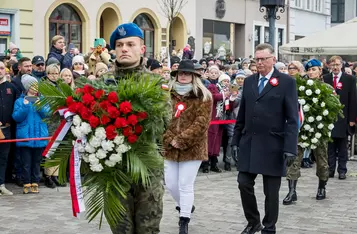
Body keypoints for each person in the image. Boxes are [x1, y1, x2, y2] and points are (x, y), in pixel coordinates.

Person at [102, 22, 164, 234]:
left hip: (146, 168)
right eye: (119, 45)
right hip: (113, 168)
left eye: (130, 44)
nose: (124, 49)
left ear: (142, 48)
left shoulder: (155, 82)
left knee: (148, 228)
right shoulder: (103, 83)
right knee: (120, 229)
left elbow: (165, 122)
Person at [232, 43, 299, 234]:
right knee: (243, 183)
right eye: (257, 59)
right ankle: (253, 221)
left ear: (273, 60)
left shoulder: (286, 82)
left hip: (273, 145)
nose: (259, 63)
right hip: (250, 143)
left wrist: (290, 147)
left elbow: (292, 118)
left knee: (271, 192)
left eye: (263, 59)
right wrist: (235, 140)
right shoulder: (250, 81)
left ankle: (269, 227)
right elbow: (242, 114)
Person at [163, 59, 212, 234]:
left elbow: (201, 123)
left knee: (185, 184)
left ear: (193, 76)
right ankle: (185, 206)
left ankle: (183, 220)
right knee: (170, 183)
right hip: (169, 146)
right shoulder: (166, 94)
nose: (183, 76)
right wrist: (170, 139)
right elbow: (161, 120)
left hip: (193, 147)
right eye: (180, 73)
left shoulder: (203, 96)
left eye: (187, 73)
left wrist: (182, 139)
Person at [284, 59, 330, 205]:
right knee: (294, 159)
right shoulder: (299, 86)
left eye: (314, 70)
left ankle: (322, 187)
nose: (311, 72)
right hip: (301, 128)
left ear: (320, 71)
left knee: (321, 160)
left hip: (318, 129)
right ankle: (292, 191)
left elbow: (332, 111)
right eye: (309, 70)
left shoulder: (327, 87)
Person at [12, 74, 49, 194]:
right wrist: (25, 106)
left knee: (37, 162)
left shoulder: (42, 100)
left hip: (39, 137)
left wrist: (40, 106)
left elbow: (47, 114)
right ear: (27, 88)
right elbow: (16, 117)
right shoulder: (19, 101)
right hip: (25, 138)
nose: (35, 88)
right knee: (26, 163)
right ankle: (26, 182)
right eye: (32, 86)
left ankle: (35, 182)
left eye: (36, 86)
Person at [323, 56, 357, 180]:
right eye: (333, 65)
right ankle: (331, 169)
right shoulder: (326, 78)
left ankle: (342, 170)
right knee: (330, 146)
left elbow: (353, 99)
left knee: (342, 146)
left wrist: (352, 119)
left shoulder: (349, 79)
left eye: (337, 64)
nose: (335, 67)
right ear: (329, 66)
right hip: (329, 118)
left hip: (344, 117)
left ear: (342, 65)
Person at [0, 61, 18, 195]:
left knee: (3, 158)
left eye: (1, 68)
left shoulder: (11, 87)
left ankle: (1, 184)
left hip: (6, 129)